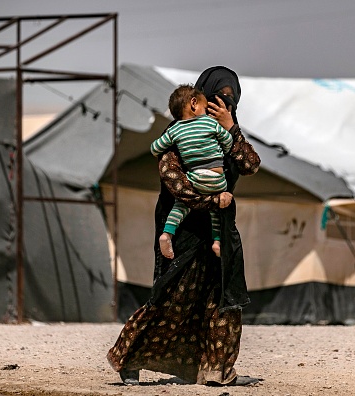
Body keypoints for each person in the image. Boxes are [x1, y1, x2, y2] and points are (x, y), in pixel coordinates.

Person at [107, 66, 261, 386]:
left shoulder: (226, 134)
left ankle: (217, 370)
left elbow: (250, 164)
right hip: (184, 230)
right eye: (218, 97)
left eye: (231, 100)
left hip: (221, 230)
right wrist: (211, 202)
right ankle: (129, 359)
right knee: (171, 297)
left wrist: (231, 128)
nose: (224, 104)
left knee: (224, 300)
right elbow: (175, 182)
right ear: (200, 98)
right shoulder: (180, 131)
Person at [150, 84, 233, 259]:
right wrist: (221, 150)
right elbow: (228, 140)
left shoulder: (175, 129)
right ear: (194, 103)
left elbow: (155, 148)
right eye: (204, 108)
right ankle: (217, 241)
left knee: (181, 205)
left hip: (195, 178)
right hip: (218, 179)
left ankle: (167, 234)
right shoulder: (210, 122)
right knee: (216, 209)